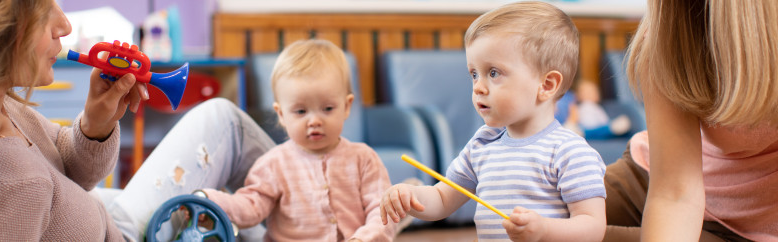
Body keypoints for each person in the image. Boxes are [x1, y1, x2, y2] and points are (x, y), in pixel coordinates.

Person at [0, 1, 276, 241]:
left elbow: (69, 172)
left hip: (102, 216)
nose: (64, 25)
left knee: (222, 121)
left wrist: (95, 126)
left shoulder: (1, 106)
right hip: (120, 233)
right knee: (226, 124)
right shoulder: (13, 186)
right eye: (43, 11)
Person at [380, 2, 606, 241]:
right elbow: (442, 200)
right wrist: (409, 197)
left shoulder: (570, 152)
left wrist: (544, 230)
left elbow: (593, 226)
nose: (478, 87)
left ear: (547, 85)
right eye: (474, 74)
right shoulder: (481, 145)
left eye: (494, 73)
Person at [604, 1, 778, 241]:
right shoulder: (670, 29)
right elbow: (675, 193)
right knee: (539, 221)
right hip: (654, 177)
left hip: (745, 229)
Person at [198, 39, 396, 241]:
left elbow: (383, 211)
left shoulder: (364, 159)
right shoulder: (273, 163)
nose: (314, 121)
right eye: (301, 111)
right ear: (281, 114)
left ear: (347, 106)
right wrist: (211, 201)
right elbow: (250, 205)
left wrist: (364, 238)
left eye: (327, 108)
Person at [562, 81, 631, 139]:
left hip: (597, 127)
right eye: (586, 93)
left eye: (593, 92)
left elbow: (604, 120)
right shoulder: (578, 107)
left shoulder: (598, 109)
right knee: (577, 130)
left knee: (611, 126)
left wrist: (609, 125)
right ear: (578, 96)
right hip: (583, 128)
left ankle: (612, 128)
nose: (590, 95)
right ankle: (611, 129)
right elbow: (574, 119)